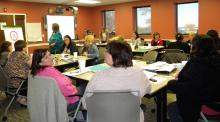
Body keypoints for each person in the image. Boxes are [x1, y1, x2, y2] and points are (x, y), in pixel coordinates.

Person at [84, 40, 151, 122]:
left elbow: (86, 104)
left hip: (101, 118)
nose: (104, 53)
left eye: (107, 51)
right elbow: (148, 89)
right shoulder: (139, 73)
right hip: (131, 118)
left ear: (116, 56)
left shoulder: (97, 76)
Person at [167, 35, 220, 122]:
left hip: (204, 106)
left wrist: (171, 83)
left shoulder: (197, 64)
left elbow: (187, 88)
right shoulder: (216, 60)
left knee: (172, 108)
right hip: (215, 100)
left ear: (195, 47)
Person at [4, 40, 31, 105]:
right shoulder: (23, 55)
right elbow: (32, 65)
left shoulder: (12, 54)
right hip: (17, 82)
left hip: (7, 81)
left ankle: (20, 97)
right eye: (26, 46)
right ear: (23, 48)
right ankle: (23, 98)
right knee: (34, 77)